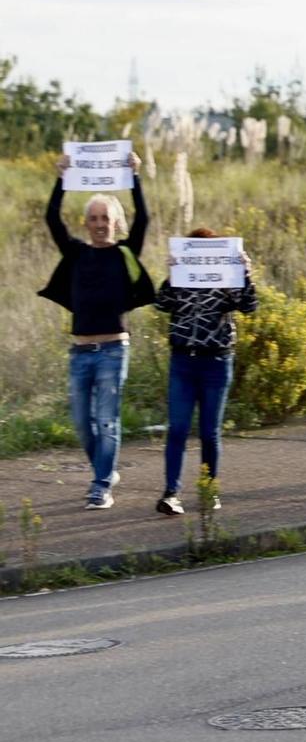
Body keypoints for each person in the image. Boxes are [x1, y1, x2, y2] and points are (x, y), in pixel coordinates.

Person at [40, 151, 152, 509]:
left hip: (113, 350)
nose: (100, 223)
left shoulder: (124, 253)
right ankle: (105, 468)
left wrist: (135, 176)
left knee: (107, 421)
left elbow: (144, 219)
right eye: (94, 218)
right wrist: (61, 178)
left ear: (115, 223)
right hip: (80, 352)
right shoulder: (75, 253)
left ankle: (101, 484)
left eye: (106, 218)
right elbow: (51, 218)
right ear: (86, 223)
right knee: (81, 423)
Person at [154, 229, 258, 515]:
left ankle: (209, 490)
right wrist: (171, 274)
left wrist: (245, 273)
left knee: (209, 432)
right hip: (183, 360)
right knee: (177, 428)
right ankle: (171, 492)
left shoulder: (227, 278)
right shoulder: (182, 280)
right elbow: (161, 303)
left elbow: (249, 306)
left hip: (216, 361)